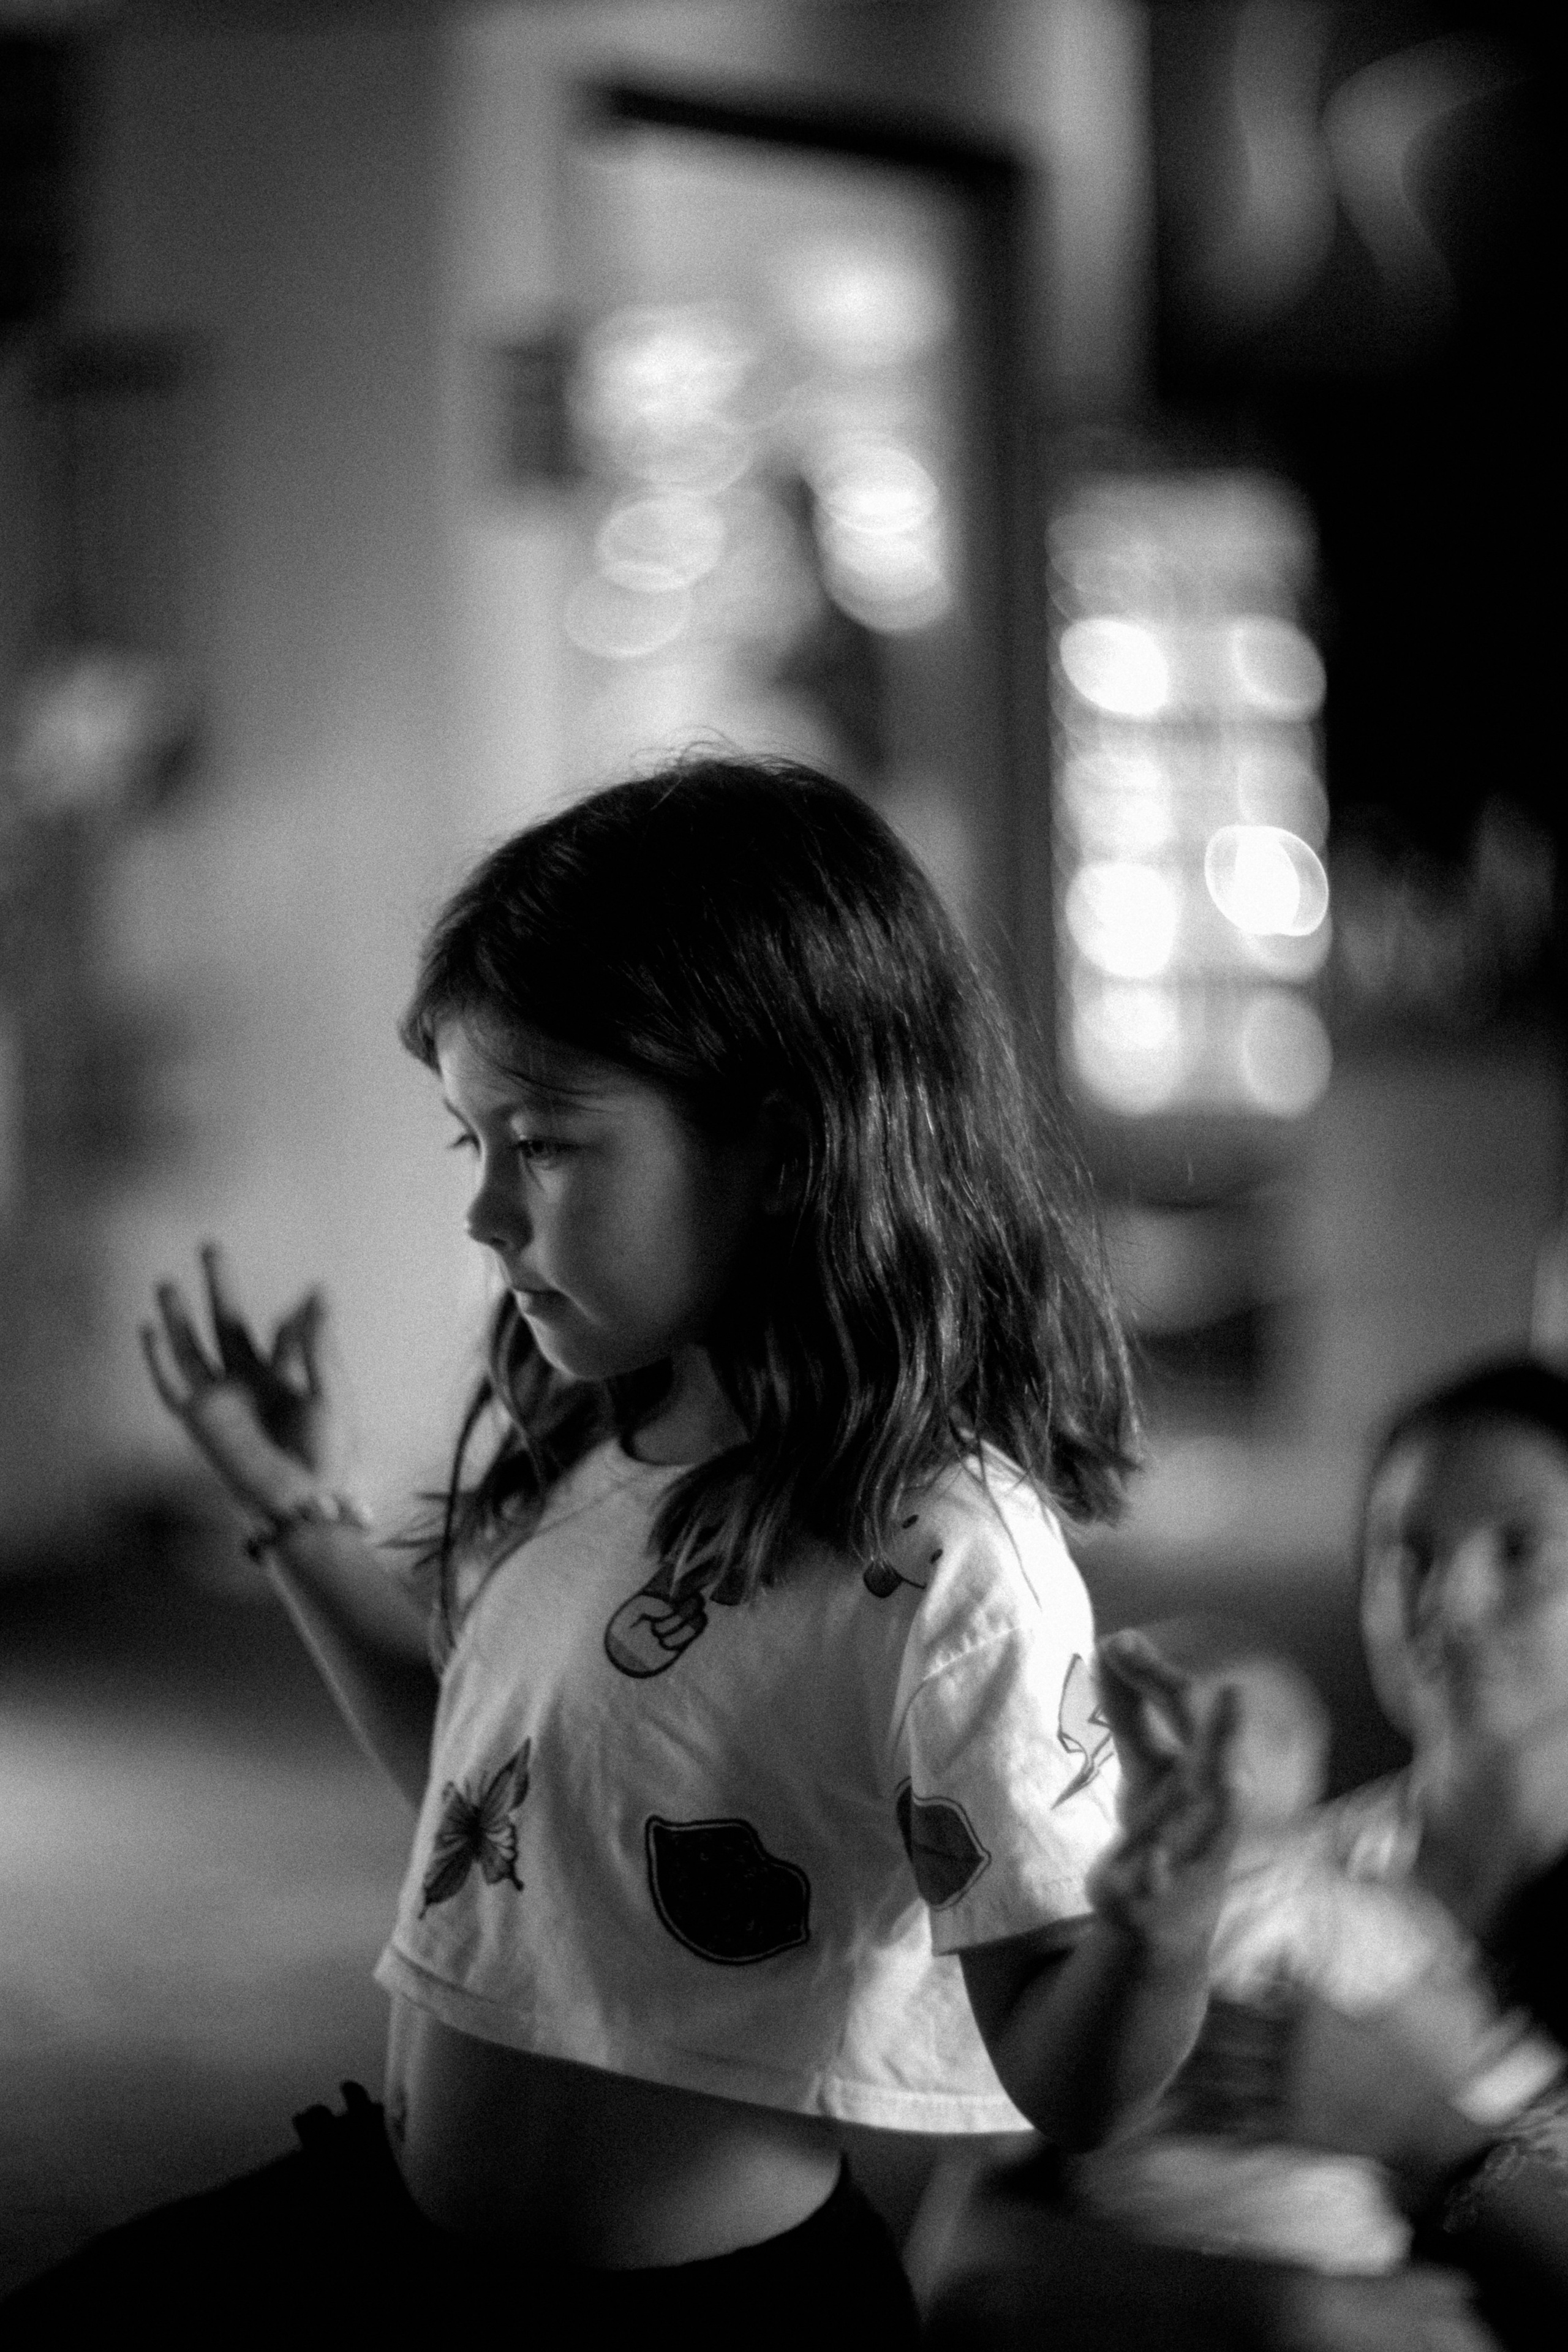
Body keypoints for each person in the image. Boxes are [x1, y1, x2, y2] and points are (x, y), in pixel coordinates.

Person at [2, 756, 1245, 2348]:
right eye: (470, 1144)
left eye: (542, 1143)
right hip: (394, 2227)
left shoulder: (944, 1558)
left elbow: (1072, 2085)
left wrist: (1163, 1928)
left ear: (782, 1145)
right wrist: (292, 1510)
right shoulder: (603, 1435)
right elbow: (494, 1801)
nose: (485, 1215)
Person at [925, 1357, 1568, 2351]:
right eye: (1406, 1553)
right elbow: (960, 2254)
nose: (1451, 1601)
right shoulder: (1255, 1878)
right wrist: (1281, 2311)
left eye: (1521, 1548)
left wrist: (1423, 2132)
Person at [1068, 1621, 1564, 2278]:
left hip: (1322, 2250)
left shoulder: (1342, 1910)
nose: (1455, 1601)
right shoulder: (1108, 1910)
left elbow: (1485, 2067)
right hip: (1128, 2252)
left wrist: (1424, 2125)